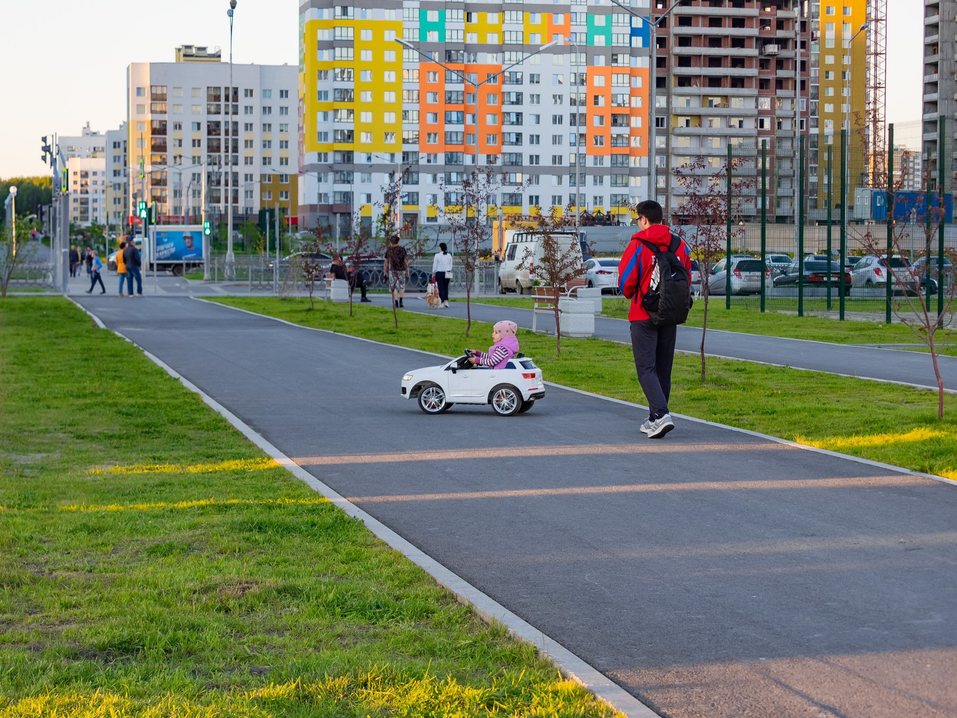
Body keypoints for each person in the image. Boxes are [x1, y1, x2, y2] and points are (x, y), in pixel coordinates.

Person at [618, 199, 691, 440]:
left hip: (643, 313)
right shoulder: (679, 244)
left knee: (645, 368)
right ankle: (654, 419)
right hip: (670, 312)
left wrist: (631, 294)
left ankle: (660, 414)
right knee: (663, 368)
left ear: (644, 219)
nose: (638, 223)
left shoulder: (638, 245)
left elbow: (626, 281)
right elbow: (687, 277)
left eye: (638, 219)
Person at [383, 234, 409, 308]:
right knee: (402, 286)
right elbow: (405, 261)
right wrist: (407, 271)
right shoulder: (402, 249)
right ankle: (401, 301)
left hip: (392, 270)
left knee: (393, 287)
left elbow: (386, 262)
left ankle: (396, 301)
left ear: (391, 242)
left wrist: (385, 272)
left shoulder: (389, 250)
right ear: (398, 241)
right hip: (402, 270)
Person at [431, 242, 453, 308]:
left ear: (440, 247)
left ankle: (442, 301)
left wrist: (433, 272)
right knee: (446, 287)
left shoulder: (437, 255)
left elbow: (435, 265)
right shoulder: (449, 255)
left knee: (441, 287)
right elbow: (451, 264)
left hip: (440, 273)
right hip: (448, 272)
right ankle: (446, 301)